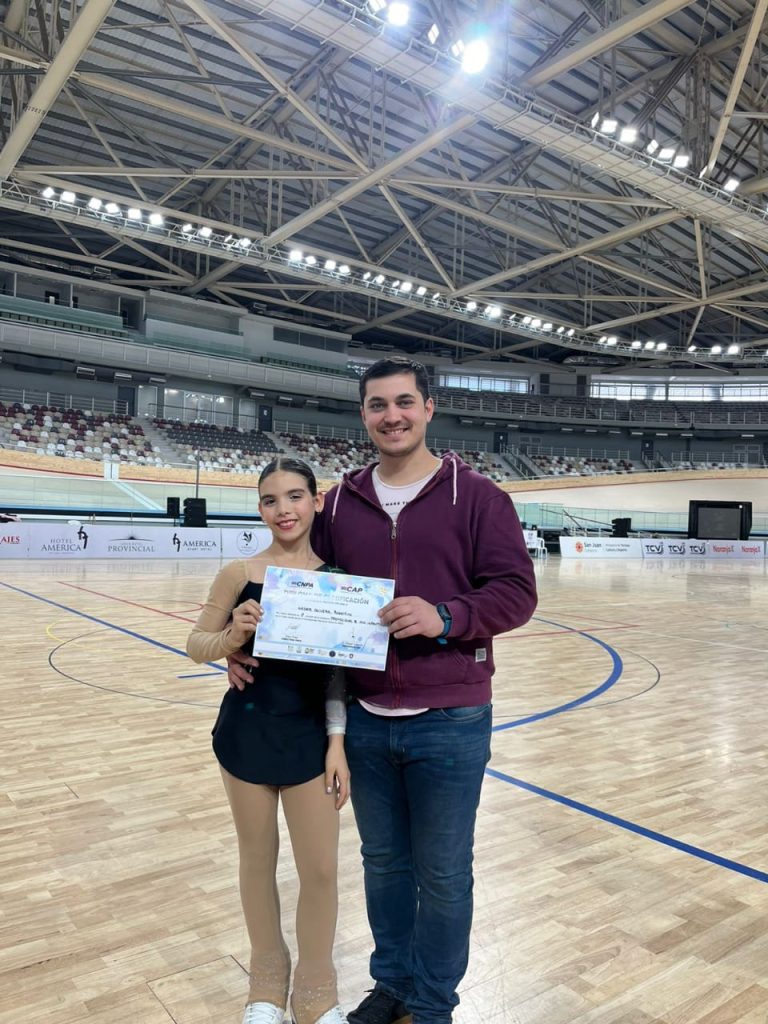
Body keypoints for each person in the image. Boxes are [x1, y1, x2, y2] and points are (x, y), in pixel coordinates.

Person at [229, 357, 538, 1024]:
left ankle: (432, 1002)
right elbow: (300, 582)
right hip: (364, 719)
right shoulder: (339, 502)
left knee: (444, 872)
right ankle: (392, 983)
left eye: (403, 402)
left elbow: (516, 594)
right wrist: (241, 643)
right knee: (384, 864)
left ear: (428, 408)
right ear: (364, 415)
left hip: (450, 719)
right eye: (377, 405)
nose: (391, 416)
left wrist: (446, 616)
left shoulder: (478, 498)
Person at [188, 457, 351, 1024]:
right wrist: (232, 637)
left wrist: (337, 743)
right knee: (257, 861)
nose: (284, 510)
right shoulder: (239, 572)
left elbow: (339, 675)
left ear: (317, 501)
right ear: (260, 509)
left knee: (321, 871)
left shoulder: (338, 580)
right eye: (270, 500)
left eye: (295, 496)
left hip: (311, 740)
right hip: (247, 734)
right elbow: (196, 644)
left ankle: (316, 993)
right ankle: (265, 986)